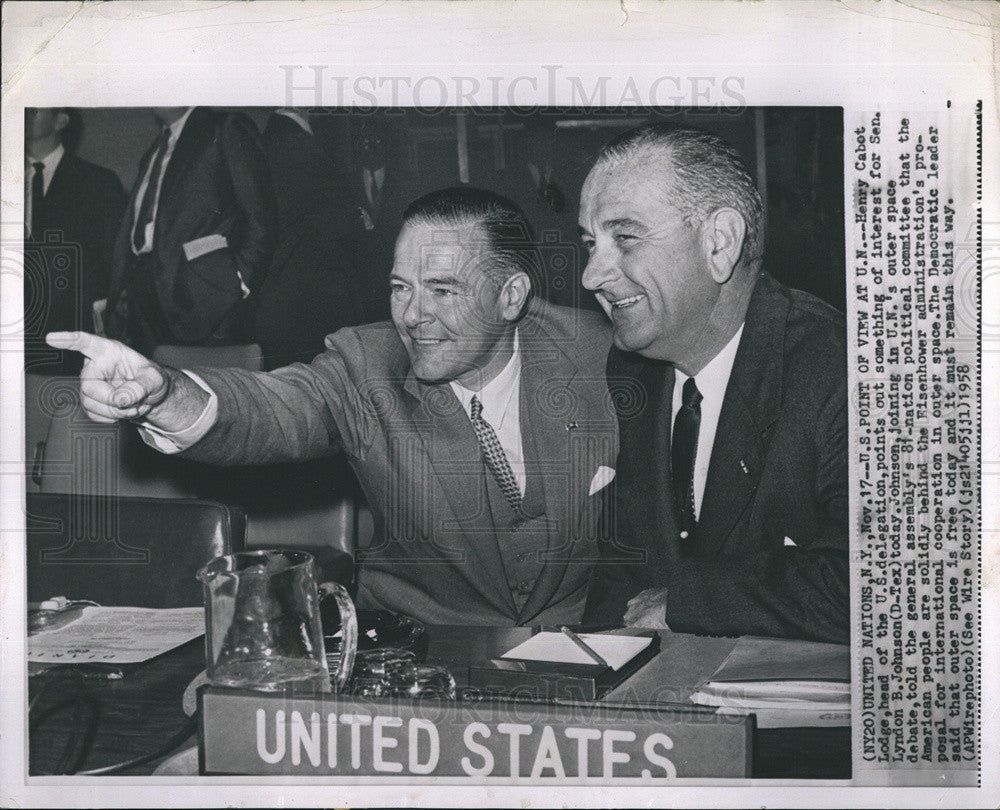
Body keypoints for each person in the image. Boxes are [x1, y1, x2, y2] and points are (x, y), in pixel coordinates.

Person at [49, 187, 617, 627]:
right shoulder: (366, 365)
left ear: (510, 296)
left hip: (591, 653)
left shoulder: (601, 356)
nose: (413, 316)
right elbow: (273, 408)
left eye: (443, 290)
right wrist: (168, 392)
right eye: (401, 288)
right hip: (418, 652)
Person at [578, 123, 849, 644]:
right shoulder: (632, 369)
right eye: (591, 244)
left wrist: (686, 603)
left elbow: (875, 585)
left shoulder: (841, 370)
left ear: (719, 244)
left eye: (625, 238)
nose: (592, 275)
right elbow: (622, 568)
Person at [105, 107, 277, 354]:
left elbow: (260, 215)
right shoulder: (153, 152)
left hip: (205, 298)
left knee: (208, 389)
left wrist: (237, 284)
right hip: (145, 299)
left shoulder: (225, 127)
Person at [251, 108, 366, 369]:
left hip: (287, 299)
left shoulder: (276, 138)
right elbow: (335, 222)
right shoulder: (293, 142)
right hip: (308, 300)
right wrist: (357, 217)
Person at [24, 108, 126, 373]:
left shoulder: (98, 182)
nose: (25, 113)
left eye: (34, 109)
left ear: (61, 120)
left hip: (69, 326)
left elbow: (113, 261)